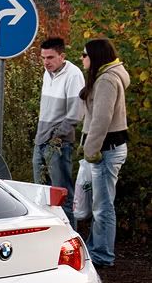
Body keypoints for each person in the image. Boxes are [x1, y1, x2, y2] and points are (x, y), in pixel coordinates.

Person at [79, 38, 129, 268]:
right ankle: (96, 248)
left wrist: (90, 150)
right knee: (100, 204)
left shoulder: (107, 80)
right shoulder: (104, 77)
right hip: (105, 148)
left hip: (106, 150)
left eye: (84, 54)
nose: (81, 58)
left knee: (103, 206)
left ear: (96, 56)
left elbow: (102, 119)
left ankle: (102, 255)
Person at [33, 37, 85, 227]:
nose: (46, 62)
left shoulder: (73, 75)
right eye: (43, 58)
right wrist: (40, 136)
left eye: (50, 57)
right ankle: (49, 235)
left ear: (62, 56)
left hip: (58, 143)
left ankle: (70, 236)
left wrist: (57, 136)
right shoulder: (48, 73)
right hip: (41, 139)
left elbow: (76, 113)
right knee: (40, 195)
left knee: (62, 196)